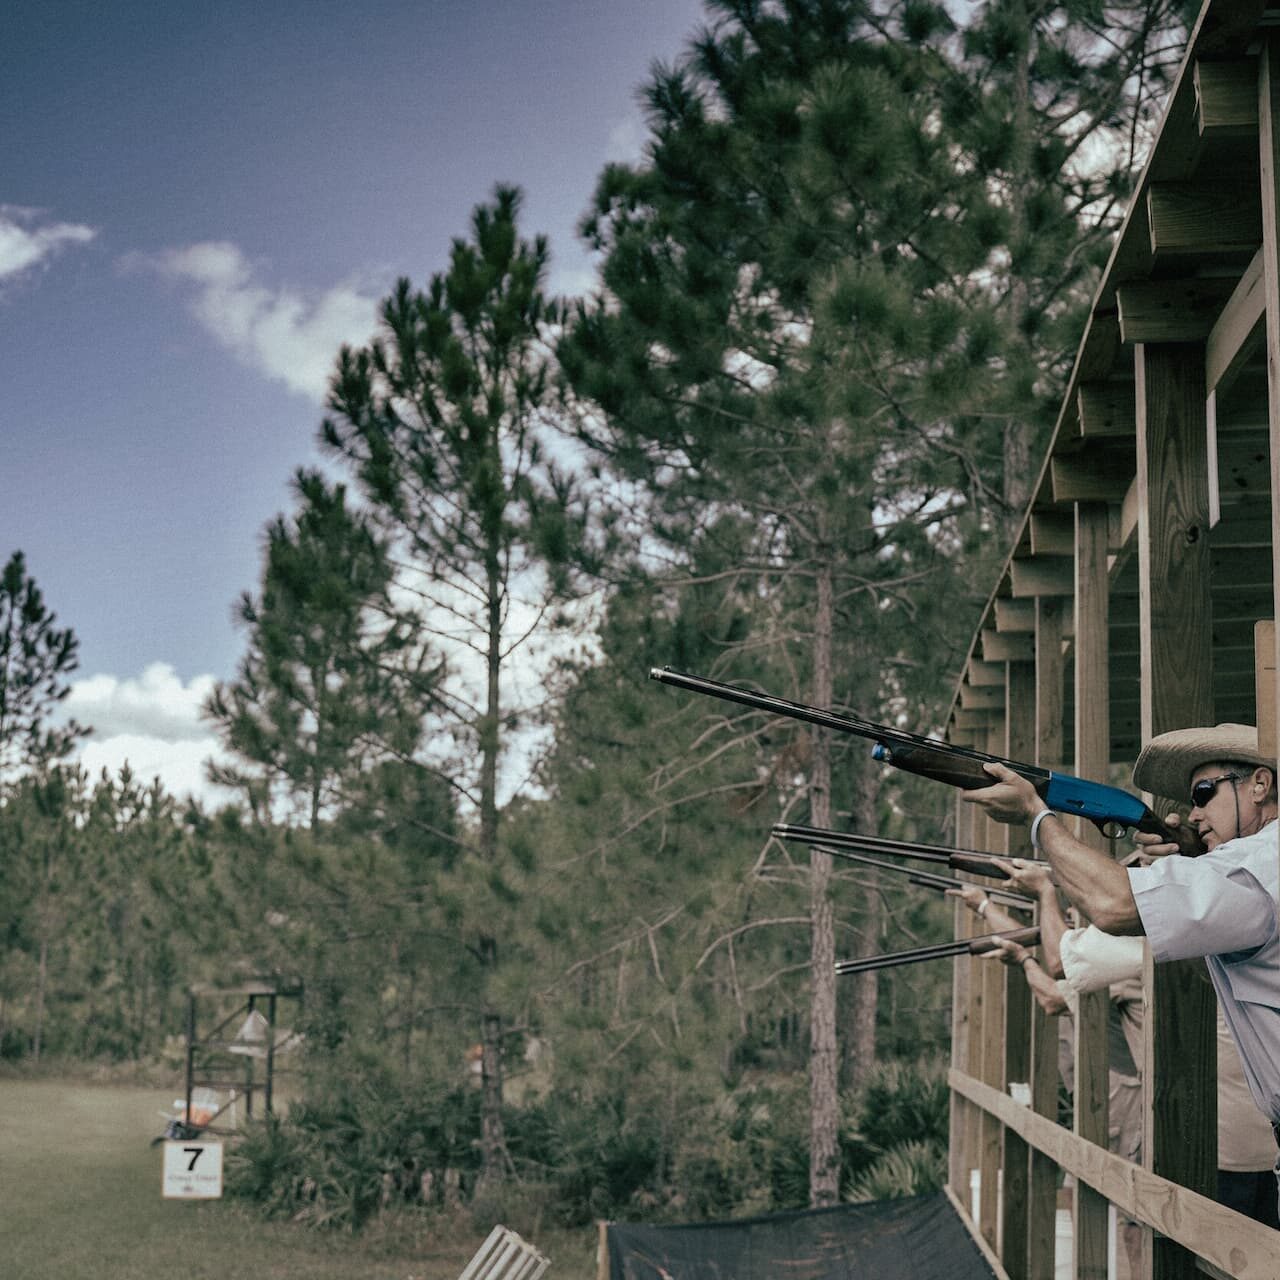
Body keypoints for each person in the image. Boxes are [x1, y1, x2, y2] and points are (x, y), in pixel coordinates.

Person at [961, 723, 1280, 1208]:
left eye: (1203, 792)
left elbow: (1111, 905)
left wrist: (1036, 818)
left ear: (1260, 784)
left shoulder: (1256, 866)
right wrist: (1194, 863)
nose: (1192, 813)